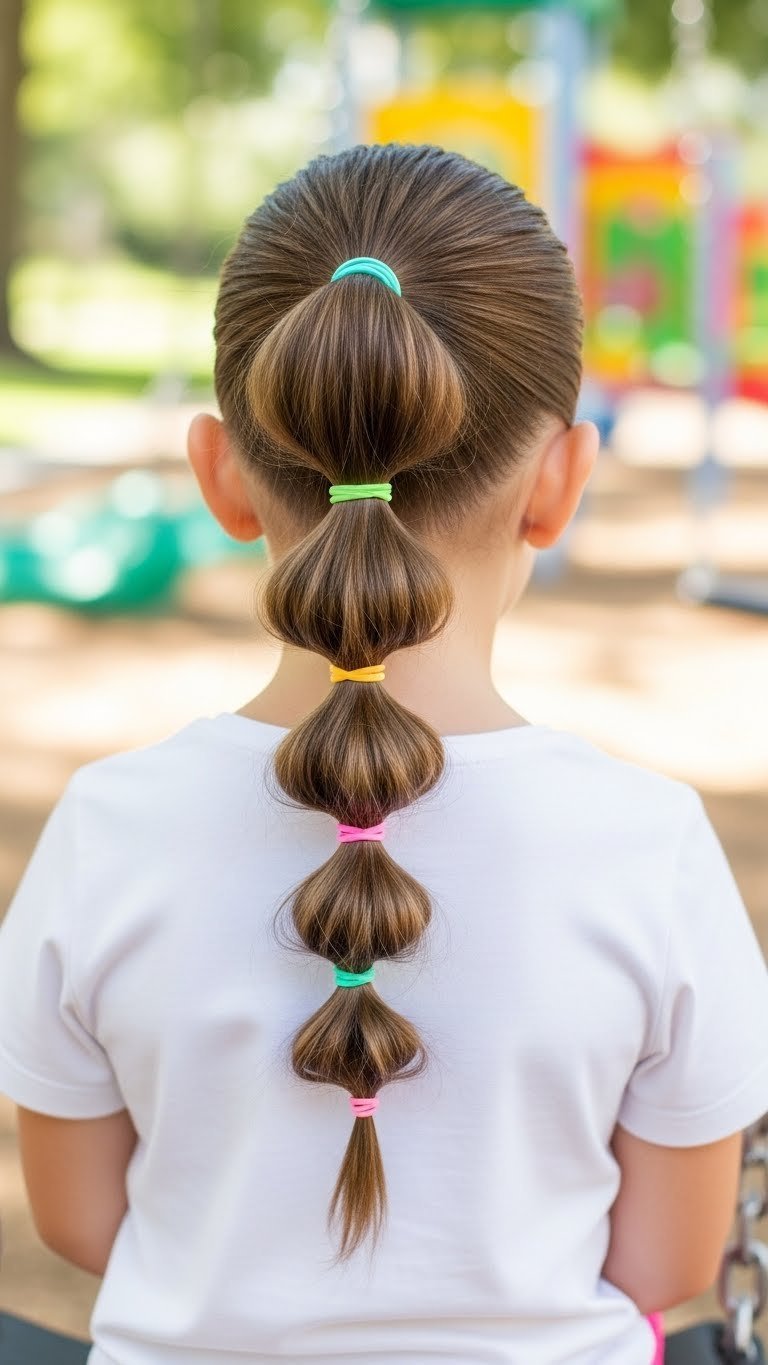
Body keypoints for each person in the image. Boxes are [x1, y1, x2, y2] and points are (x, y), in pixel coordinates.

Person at [0, 142, 767, 1365]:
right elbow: (669, 1268)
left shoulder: (105, 828)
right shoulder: (652, 846)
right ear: (560, 485)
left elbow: (86, 1220)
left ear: (222, 478)